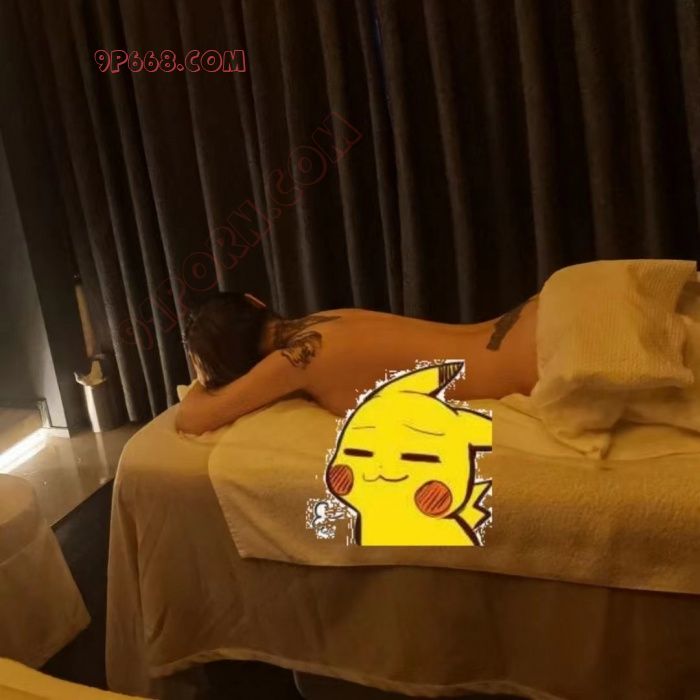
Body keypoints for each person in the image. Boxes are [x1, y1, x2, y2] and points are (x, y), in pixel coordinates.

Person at [175, 291, 539, 435]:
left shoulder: (294, 360)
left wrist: (211, 371)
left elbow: (191, 417)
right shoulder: (325, 319)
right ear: (256, 301)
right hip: (530, 318)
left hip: (530, 356)